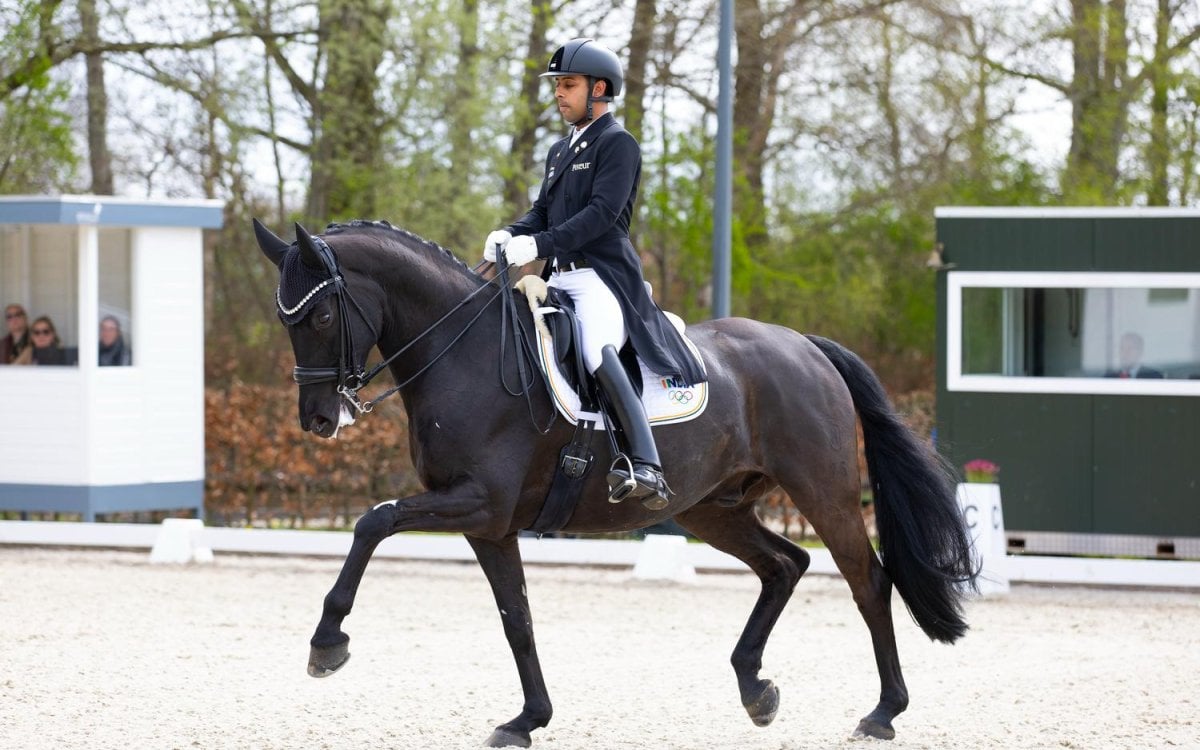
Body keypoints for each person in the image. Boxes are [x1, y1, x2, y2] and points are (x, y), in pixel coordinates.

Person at [482, 38, 706, 510]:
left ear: (598, 88)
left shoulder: (618, 144)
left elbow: (602, 214)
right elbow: (542, 211)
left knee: (594, 346)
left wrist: (537, 245)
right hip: (559, 279)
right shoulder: (560, 151)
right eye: (558, 86)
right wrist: (509, 233)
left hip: (602, 278)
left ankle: (645, 462)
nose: (559, 94)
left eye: (568, 85)